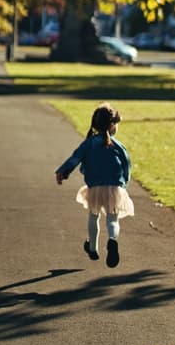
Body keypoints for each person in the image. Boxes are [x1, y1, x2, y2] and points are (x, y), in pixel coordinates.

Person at [55, 102, 134, 268]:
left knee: (93, 216)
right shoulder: (118, 146)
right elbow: (126, 165)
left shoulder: (89, 143)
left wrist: (63, 172)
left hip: (95, 188)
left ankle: (92, 248)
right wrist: (124, 183)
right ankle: (112, 240)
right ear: (112, 125)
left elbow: (75, 159)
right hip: (114, 188)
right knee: (113, 219)